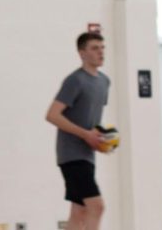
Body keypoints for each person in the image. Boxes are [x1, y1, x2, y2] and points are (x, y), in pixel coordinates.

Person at [45, 32, 111, 230]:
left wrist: (100, 140)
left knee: (79, 210)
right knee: (96, 206)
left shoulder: (104, 81)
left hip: (87, 154)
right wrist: (86, 135)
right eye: (94, 48)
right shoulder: (75, 80)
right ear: (82, 53)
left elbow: (91, 119)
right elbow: (52, 115)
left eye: (102, 47)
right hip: (71, 154)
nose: (100, 52)